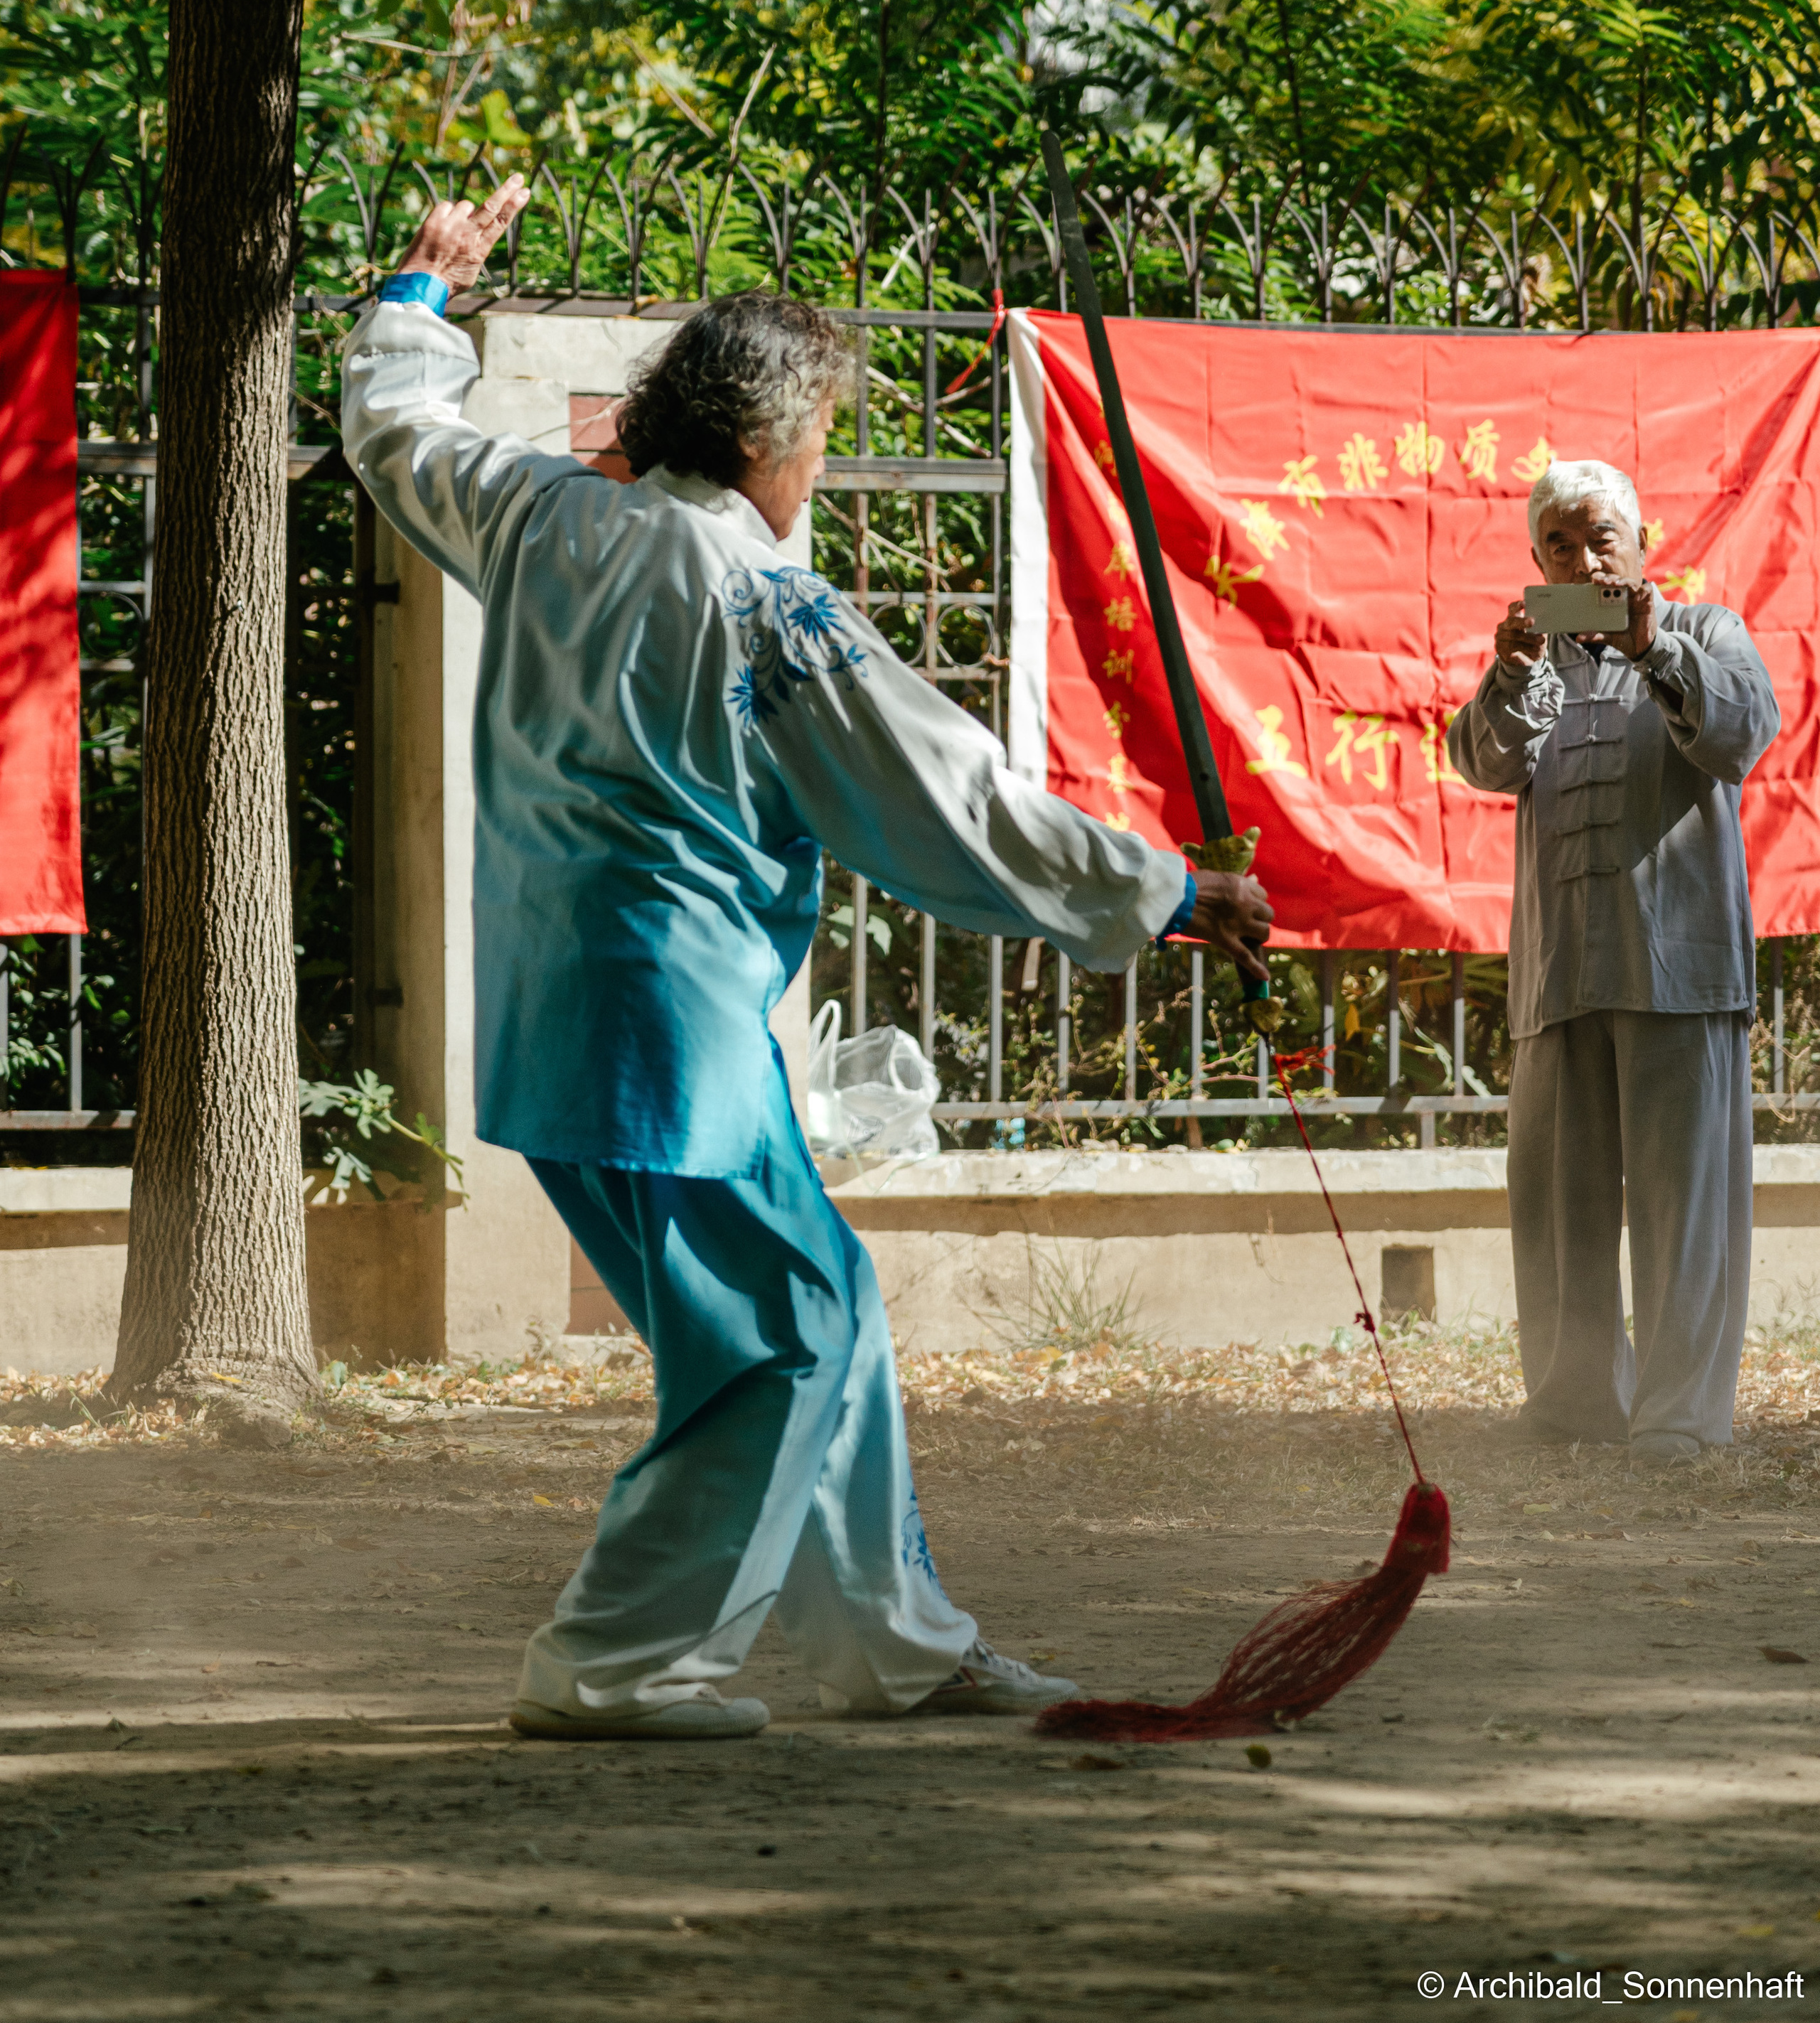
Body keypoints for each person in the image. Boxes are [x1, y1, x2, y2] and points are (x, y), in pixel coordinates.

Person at [340, 178, 1274, 1740]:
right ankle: (619, 1661)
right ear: (771, 441)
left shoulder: (535, 513)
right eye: (825, 435)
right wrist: (1171, 894)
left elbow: (395, 433)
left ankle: (892, 1645)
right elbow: (950, 802)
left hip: (561, 1016)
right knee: (786, 1334)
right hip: (673, 1024)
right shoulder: (762, 596)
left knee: (802, 1308)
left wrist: (424, 290)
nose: (822, 466)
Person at [1448, 459, 1779, 1466]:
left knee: (1684, 1207)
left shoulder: (1707, 632)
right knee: (1559, 1203)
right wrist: (1508, 674)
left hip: (1676, 971)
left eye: (1601, 540)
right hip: (1562, 975)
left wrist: (1654, 650)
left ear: (1642, 547)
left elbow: (1743, 729)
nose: (1584, 560)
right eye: (1560, 544)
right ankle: (1571, 1403)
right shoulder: (1537, 664)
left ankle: (1678, 1418)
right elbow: (1478, 759)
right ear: (1537, 561)